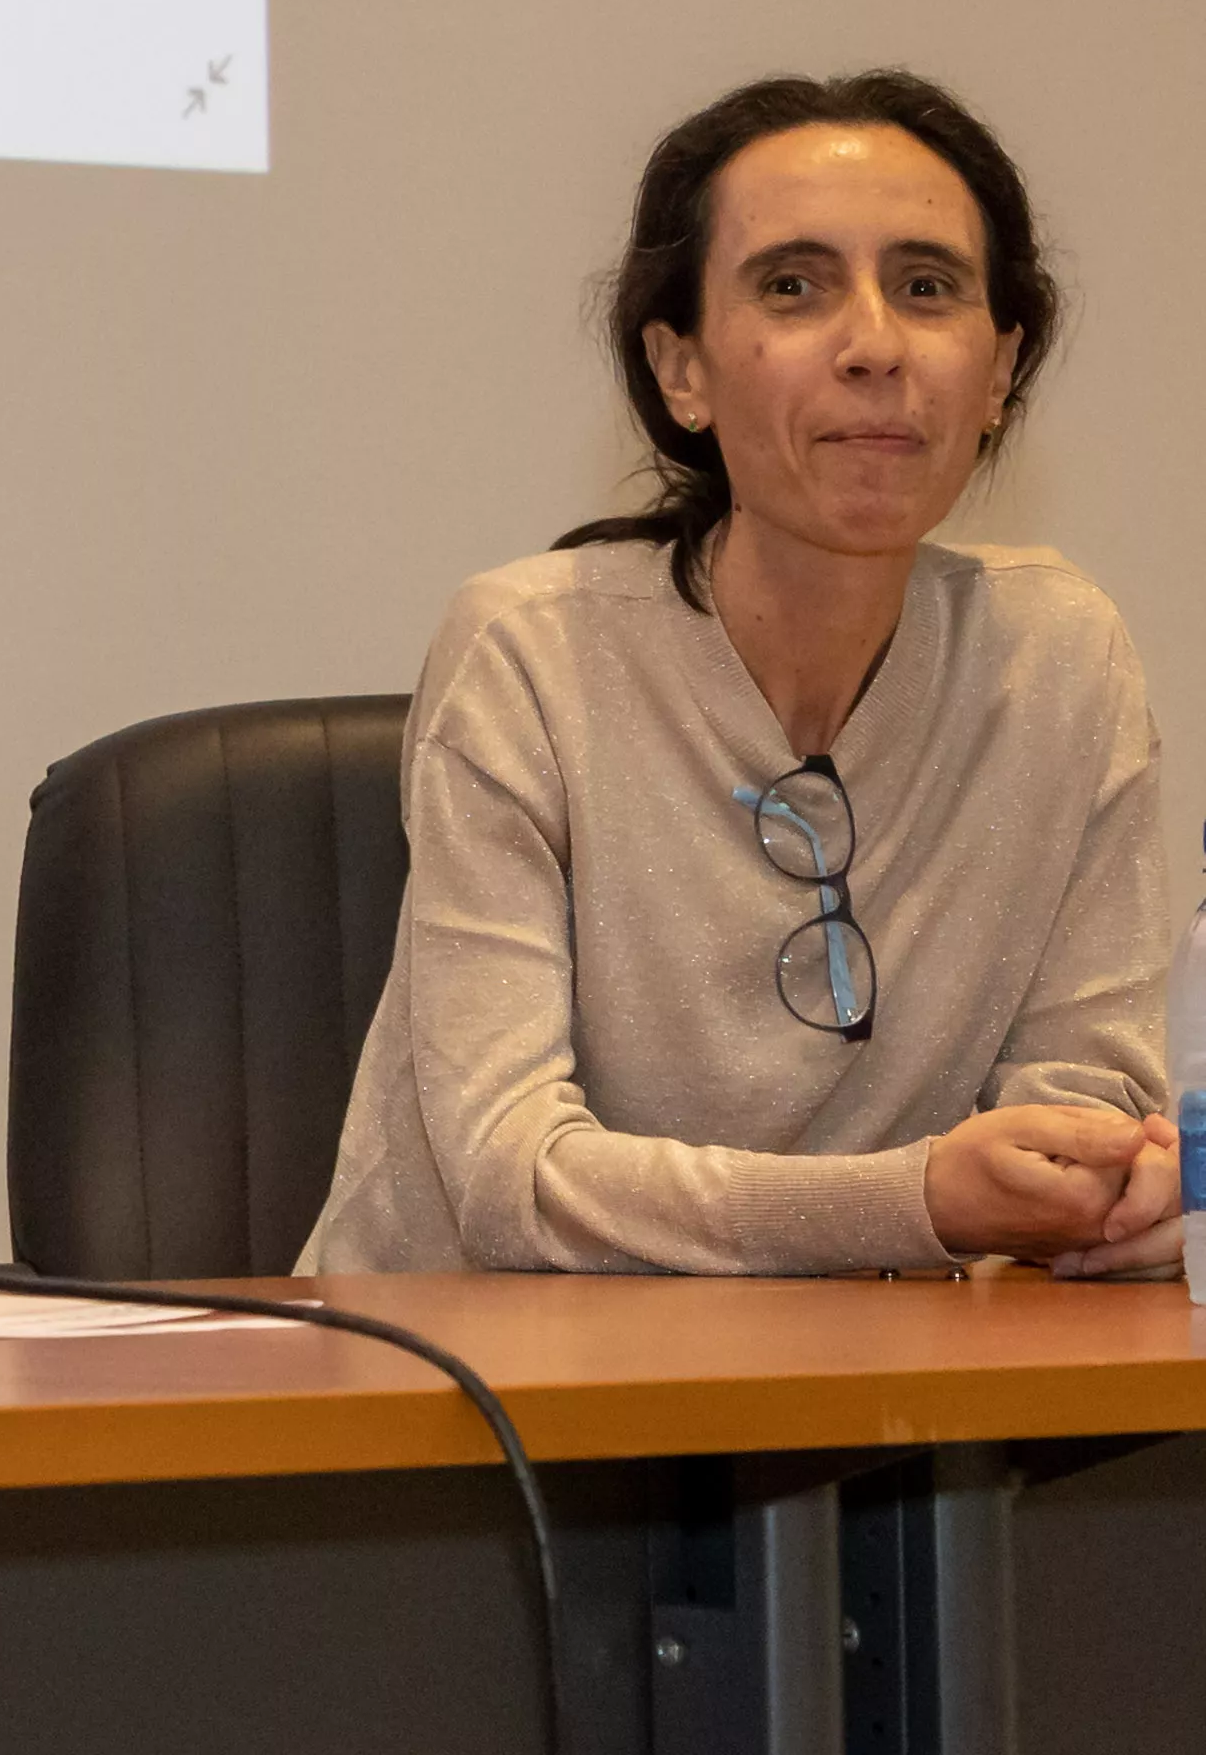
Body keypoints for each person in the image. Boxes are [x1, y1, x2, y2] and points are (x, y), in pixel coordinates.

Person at [304, 72, 1179, 1279]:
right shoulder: (532, 655)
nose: (875, 346)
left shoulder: (1060, 659)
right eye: (793, 287)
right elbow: (511, 1178)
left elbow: (1088, 1092)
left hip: (886, 1403)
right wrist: (920, 1200)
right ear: (682, 372)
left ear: (998, 372)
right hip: (462, 1403)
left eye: (928, 289)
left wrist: (1098, 1181)